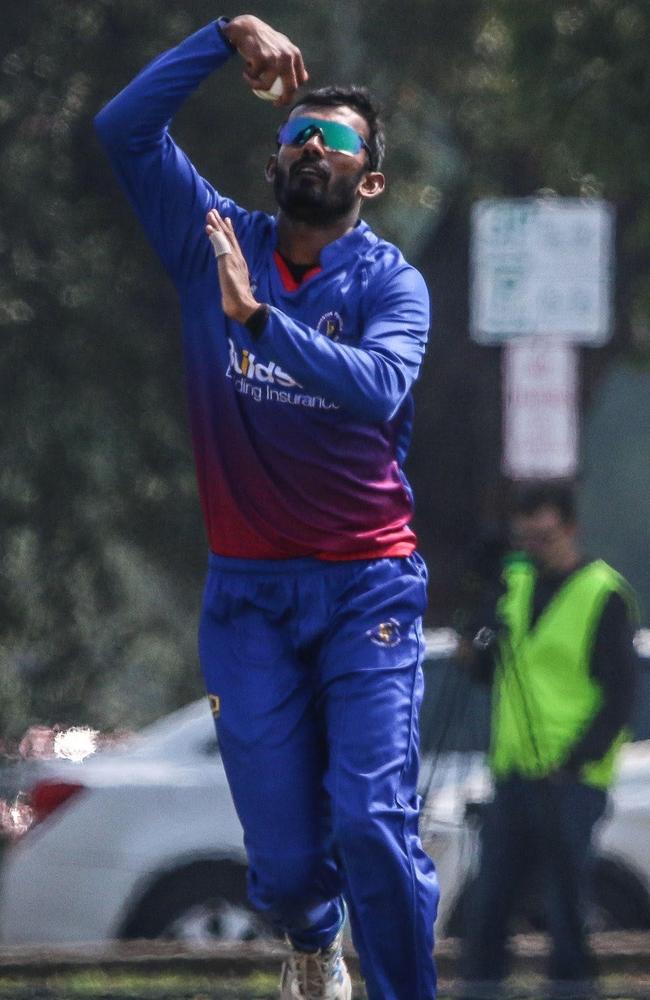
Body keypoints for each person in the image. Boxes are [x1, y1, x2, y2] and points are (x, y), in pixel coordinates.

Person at [94, 14, 438, 1000]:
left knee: (373, 823)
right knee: (285, 868)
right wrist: (223, 33)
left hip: (366, 584)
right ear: (271, 158)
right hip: (247, 597)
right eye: (296, 136)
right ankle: (310, 944)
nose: (309, 151)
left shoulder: (387, 281)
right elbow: (123, 129)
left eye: (333, 144)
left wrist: (259, 322)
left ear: (367, 182)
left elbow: (377, 386)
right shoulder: (215, 241)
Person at [458, 481, 638, 998]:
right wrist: (479, 602)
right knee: (488, 904)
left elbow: (621, 697)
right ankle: (482, 988)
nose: (533, 549)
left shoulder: (602, 593)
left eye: (544, 537)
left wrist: (577, 762)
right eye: (525, 539)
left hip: (571, 779)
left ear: (571, 530)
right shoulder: (512, 585)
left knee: (565, 909)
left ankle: (571, 990)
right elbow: (478, 668)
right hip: (512, 773)